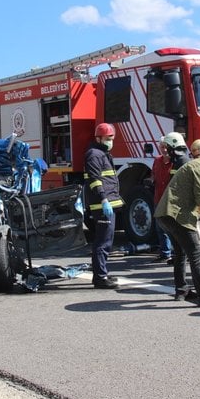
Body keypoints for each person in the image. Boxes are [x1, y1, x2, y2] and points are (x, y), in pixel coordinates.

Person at [154, 145, 200, 306]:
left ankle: (182, 290)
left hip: (167, 214)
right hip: (176, 215)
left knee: (181, 253)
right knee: (196, 254)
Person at [84, 123, 123, 289]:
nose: (110, 141)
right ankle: (100, 277)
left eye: (112, 139)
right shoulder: (94, 154)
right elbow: (94, 179)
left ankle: (102, 273)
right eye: (107, 139)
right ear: (98, 138)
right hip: (102, 205)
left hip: (107, 203)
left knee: (106, 241)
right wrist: (103, 199)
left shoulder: (103, 153)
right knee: (103, 242)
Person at [150, 136, 173, 264]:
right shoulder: (157, 160)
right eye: (162, 147)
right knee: (160, 227)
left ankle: (176, 252)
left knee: (171, 228)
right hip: (158, 198)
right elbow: (153, 174)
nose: (164, 150)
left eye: (166, 147)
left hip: (170, 200)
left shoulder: (174, 162)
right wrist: (151, 180)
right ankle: (165, 253)